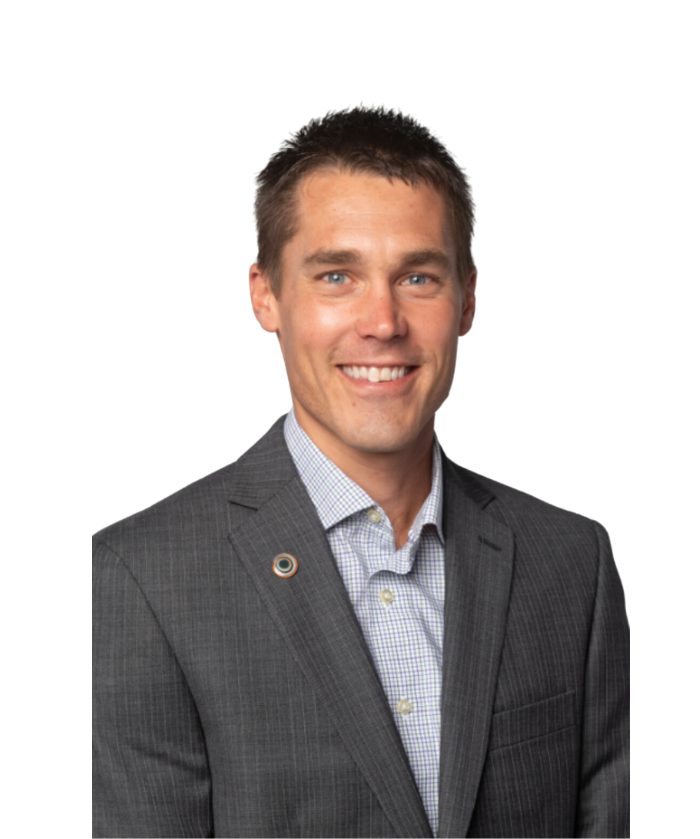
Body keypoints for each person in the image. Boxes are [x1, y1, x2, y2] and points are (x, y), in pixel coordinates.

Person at [92, 107, 629, 838]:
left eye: (418, 276)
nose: (382, 320)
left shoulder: (572, 563)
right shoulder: (139, 578)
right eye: (337, 275)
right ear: (266, 295)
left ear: (467, 297)